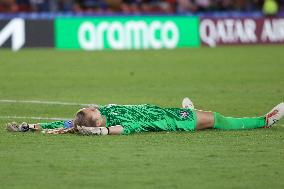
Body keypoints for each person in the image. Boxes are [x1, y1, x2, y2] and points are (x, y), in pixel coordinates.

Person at [6, 98, 284, 135]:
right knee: (218, 119)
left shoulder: (105, 112)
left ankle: (193, 108)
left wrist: (31, 126)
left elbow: (67, 123)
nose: (91, 105)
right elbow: (126, 130)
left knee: (203, 114)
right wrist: (102, 133)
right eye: (91, 110)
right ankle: (264, 120)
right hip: (173, 120)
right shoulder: (115, 123)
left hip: (165, 111)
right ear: (97, 121)